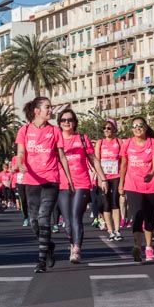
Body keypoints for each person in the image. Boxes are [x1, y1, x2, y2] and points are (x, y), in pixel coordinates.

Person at [14, 96, 75, 273]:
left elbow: (62, 156)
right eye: (47, 107)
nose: (51, 110)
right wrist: (20, 162)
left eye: (51, 107)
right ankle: (48, 245)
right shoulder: (24, 131)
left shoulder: (55, 131)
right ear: (37, 111)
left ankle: (41, 261)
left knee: (43, 217)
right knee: (33, 222)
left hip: (50, 180)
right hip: (31, 181)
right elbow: (20, 151)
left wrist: (69, 179)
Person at [56, 108, 103, 264]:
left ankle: (76, 248)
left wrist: (103, 178)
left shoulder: (82, 138)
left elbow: (93, 159)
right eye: (63, 120)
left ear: (75, 122)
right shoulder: (56, 140)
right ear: (59, 123)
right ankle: (72, 242)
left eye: (70, 120)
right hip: (62, 184)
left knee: (76, 216)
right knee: (67, 222)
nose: (67, 122)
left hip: (81, 182)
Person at [121, 117, 154, 262]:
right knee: (137, 215)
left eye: (140, 126)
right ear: (132, 129)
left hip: (151, 185)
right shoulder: (127, 143)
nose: (137, 128)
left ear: (145, 127)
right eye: (134, 126)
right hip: (133, 185)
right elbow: (124, 164)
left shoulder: (153, 142)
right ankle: (138, 246)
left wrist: (151, 173)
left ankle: (149, 247)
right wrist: (121, 184)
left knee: (149, 217)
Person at [96, 120, 124, 241]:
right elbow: (96, 161)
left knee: (115, 202)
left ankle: (117, 230)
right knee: (106, 204)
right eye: (104, 128)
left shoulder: (119, 142)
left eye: (109, 128)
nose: (106, 130)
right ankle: (110, 231)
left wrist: (123, 178)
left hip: (116, 176)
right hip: (104, 178)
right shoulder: (100, 143)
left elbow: (123, 160)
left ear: (114, 129)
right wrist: (100, 178)